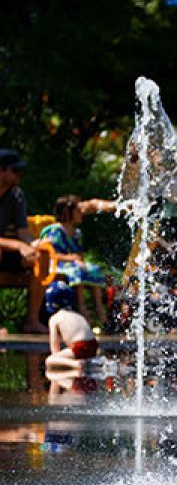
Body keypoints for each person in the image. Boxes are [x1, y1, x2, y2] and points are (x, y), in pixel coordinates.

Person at [38, 194, 117, 327]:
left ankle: (100, 311)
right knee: (77, 271)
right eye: (78, 211)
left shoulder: (76, 233)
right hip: (58, 264)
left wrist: (79, 259)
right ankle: (81, 308)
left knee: (94, 269)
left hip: (72, 263)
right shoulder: (56, 231)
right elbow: (51, 254)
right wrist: (72, 258)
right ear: (67, 212)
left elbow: (79, 253)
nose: (81, 214)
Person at [0, 148, 46, 333]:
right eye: (15, 170)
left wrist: (34, 245)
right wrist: (20, 246)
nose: (20, 174)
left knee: (42, 255)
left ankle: (32, 321)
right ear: (1, 170)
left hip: (7, 249)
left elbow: (23, 232)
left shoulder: (16, 195)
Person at [45, 281, 99, 372]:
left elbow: (55, 347)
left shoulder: (54, 318)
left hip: (79, 347)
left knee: (50, 360)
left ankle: (76, 364)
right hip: (93, 345)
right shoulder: (77, 315)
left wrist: (57, 359)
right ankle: (94, 362)